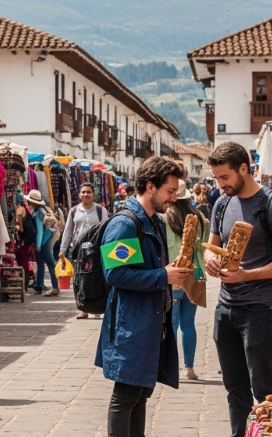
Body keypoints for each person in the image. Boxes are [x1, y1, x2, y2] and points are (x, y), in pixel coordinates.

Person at [203, 142, 272, 437]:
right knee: (235, 389)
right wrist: (210, 262)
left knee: (265, 390)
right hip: (225, 309)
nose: (220, 185)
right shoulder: (222, 203)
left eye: (224, 177)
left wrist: (247, 275)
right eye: (217, 178)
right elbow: (211, 246)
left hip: (261, 309)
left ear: (243, 168)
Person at [95, 156, 192, 437]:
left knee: (140, 395)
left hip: (150, 323)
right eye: (170, 191)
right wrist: (164, 276)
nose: (174, 198)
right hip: (131, 325)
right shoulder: (126, 225)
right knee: (126, 396)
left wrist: (172, 271)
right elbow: (115, 274)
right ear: (151, 186)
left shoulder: (155, 222)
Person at [165, 180, 208, 381]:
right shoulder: (199, 217)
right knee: (188, 323)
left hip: (172, 274)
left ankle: (170, 366)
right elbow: (204, 247)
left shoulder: (164, 218)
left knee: (171, 323)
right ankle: (189, 368)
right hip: (195, 275)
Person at [58, 182, 108, 318]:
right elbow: (68, 231)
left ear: (94, 195)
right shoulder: (74, 211)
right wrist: (63, 249)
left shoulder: (100, 210)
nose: (86, 194)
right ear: (79, 195)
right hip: (79, 251)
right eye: (83, 192)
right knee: (80, 279)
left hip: (95, 251)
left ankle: (98, 307)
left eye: (88, 192)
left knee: (97, 277)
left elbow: (106, 230)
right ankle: (84, 309)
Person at [24, 189, 59, 296]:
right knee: (41, 263)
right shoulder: (42, 210)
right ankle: (39, 286)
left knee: (50, 263)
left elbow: (39, 231)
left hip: (44, 240)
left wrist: (38, 246)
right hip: (47, 237)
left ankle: (55, 287)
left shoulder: (38, 213)